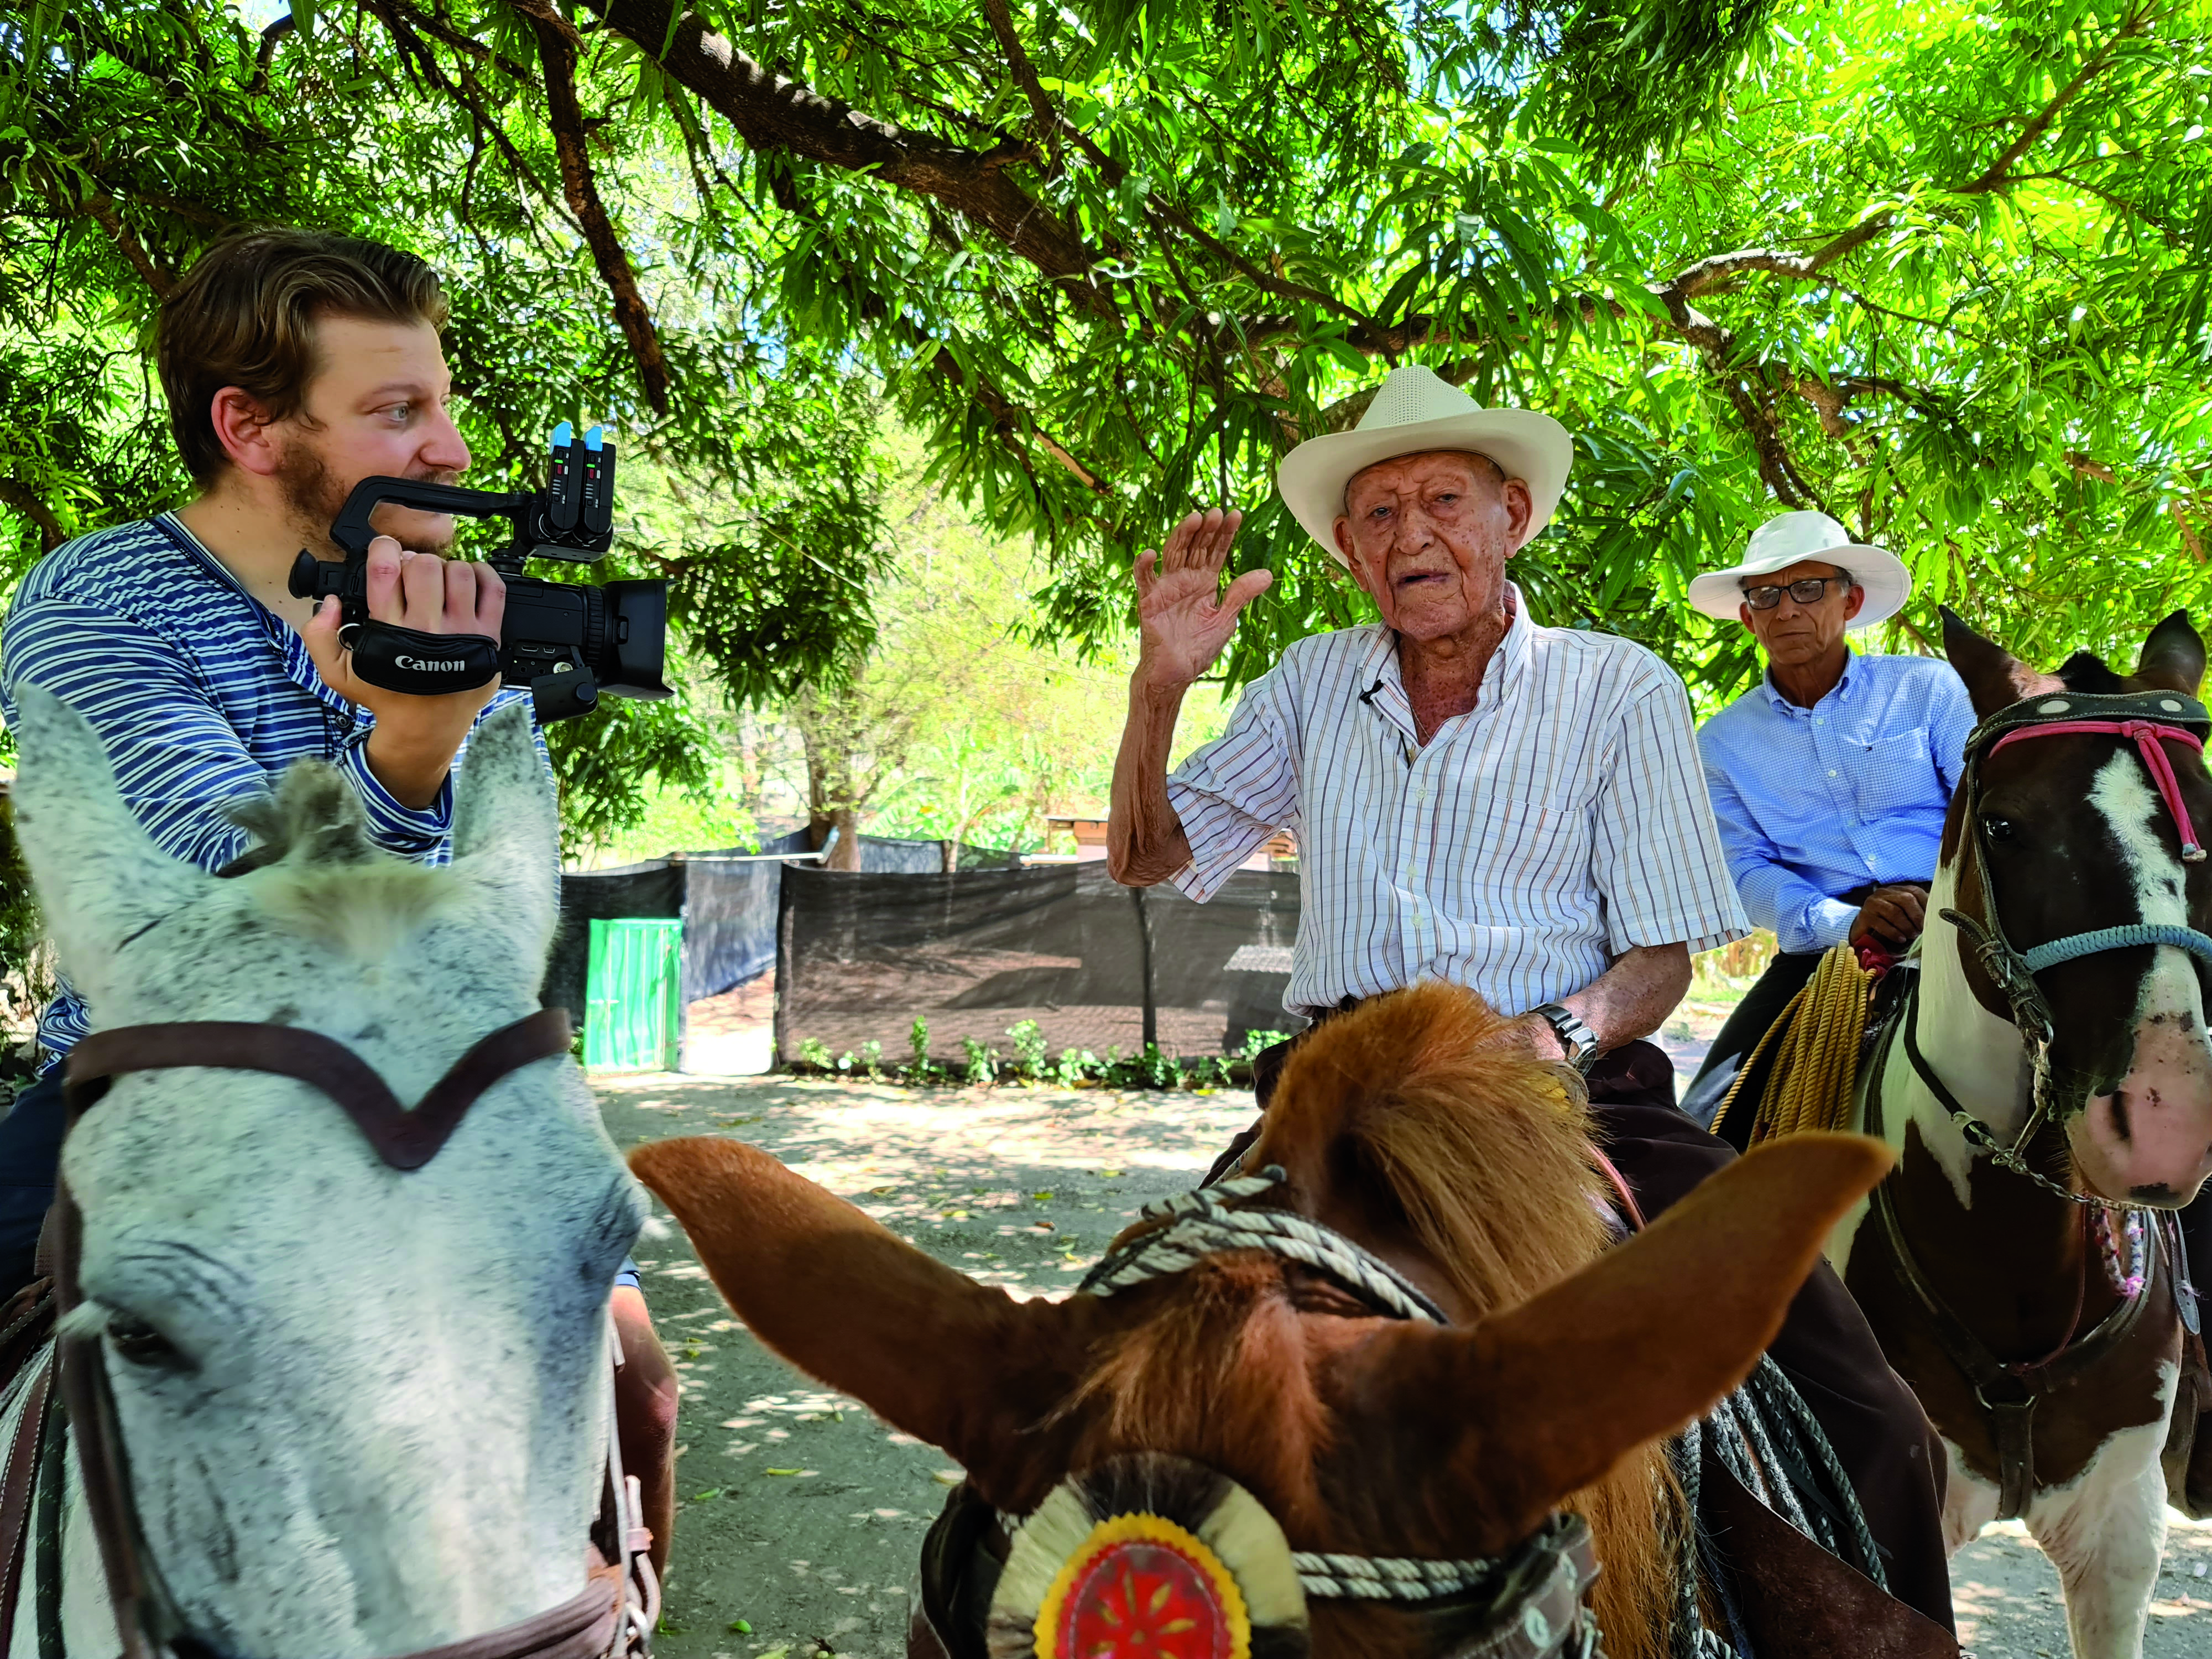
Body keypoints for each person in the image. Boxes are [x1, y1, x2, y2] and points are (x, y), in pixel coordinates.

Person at [1107, 363, 1955, 1631]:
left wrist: (1547, 1031)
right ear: (1347, 553)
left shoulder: (1617, 687)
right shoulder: (1307, 685)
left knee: (1864, 1411)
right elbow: (1147, 858)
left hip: (1570, 1092)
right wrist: (1157, 684)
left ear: (1513, 516)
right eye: (1378, 517)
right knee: (1117, 1350)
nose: (1411, 536)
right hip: (1340, 1100)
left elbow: (1661, 955)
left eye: (1442, 500)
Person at [0, 229, 678, 1578]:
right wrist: (409, 747)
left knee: (638, 1381)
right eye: (396, 410)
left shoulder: (453, 618)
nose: (452, 449)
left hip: (443, 1102)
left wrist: (442, 726)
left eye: (441, 402)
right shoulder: (97, 600)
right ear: (250, 426)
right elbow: (211, 915)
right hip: (148, 1094)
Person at [1678, 512, 1974, 1134]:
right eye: (1765, 595)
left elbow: (1984, 806)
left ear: (1852, 601)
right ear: (1747, 617)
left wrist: (1949, 899)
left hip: (1963, 916)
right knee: (1709, 1119)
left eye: (1808, 589)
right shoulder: (1723, 743)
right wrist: (1842, 924)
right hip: (1828, 946)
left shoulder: (1927, 689)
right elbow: (1741, 868)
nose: (1786, 610)